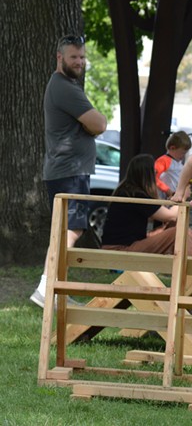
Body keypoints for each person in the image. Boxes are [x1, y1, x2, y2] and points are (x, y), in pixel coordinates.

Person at [31, 35, 108, 308]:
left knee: (65, 229)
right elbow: (99, 124)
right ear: (59, 57)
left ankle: (52, 288)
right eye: (73, 56)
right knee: (71, 229)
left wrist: (86, 124)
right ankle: (46, 286)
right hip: (69, 171)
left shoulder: (66, 85)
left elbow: (92, 124)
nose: (79, 61)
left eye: (82, 57)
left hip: (68, 170)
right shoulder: (64, 87)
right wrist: (89, 125)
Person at [102, 154, 192, 257]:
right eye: (155, 172)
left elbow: (163, 214)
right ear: (147, 174)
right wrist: (182, 195)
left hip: (125, 245)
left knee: (177, 228)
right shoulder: (135, 194)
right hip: (120, 249)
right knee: (176, 233)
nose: (156, 176)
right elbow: (170, 215)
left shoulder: (128, 190)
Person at [154, 131, 192, 199]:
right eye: (182, 153)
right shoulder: (164, 160)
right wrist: (167, 190)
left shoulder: (179, 163)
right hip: (165, 198)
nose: (183, 156)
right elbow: (153, 177)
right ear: (172, 148)